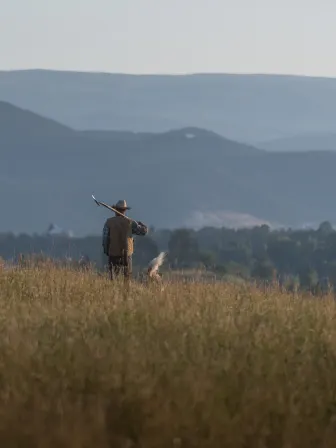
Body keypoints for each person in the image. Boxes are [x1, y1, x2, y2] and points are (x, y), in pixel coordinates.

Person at [102, 199, 148, 281]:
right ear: (125, 210)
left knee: (112, 279)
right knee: (127, 279)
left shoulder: (109, 222)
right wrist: (141, 225)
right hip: (127, 254)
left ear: (115, 210)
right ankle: (126, 293)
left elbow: (105, 239)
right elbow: (143, 232)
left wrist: (107, 251)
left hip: (113, 254)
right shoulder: (130, 222)